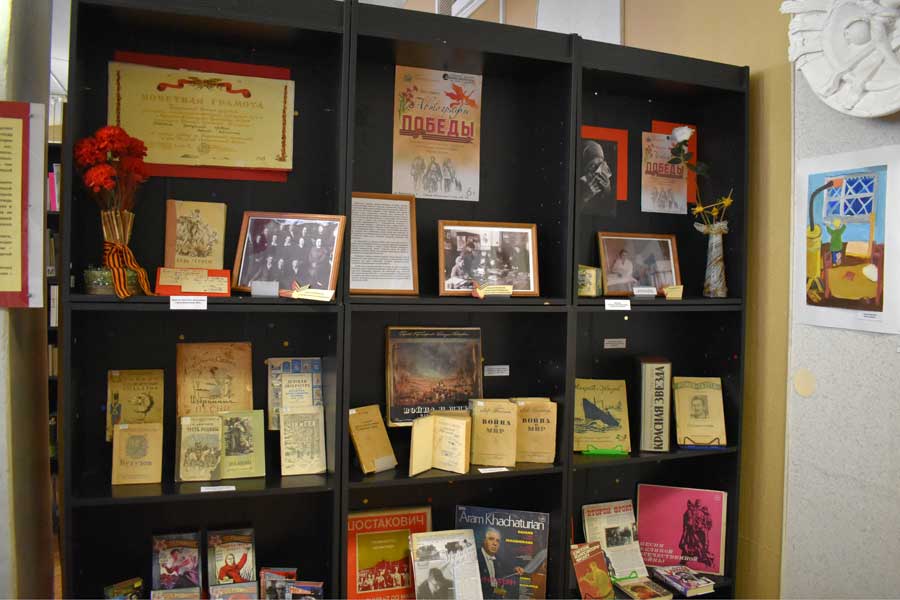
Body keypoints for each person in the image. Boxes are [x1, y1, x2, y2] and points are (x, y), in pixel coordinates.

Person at [477, 527, 524, 599]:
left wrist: (515, 569)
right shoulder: (476, 557)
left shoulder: (497, 558)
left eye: (497, 541)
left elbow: (506, 568)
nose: (495, 543)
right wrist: (502, 592)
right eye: (491, 539)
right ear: (484, 540)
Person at [578, 140, 614, 215]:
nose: (598, 169)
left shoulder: (607, 184)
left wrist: (608, 191)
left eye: (600, 163)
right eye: (592, 165)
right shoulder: (578, 185)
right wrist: (585, 197)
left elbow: (610, 211)